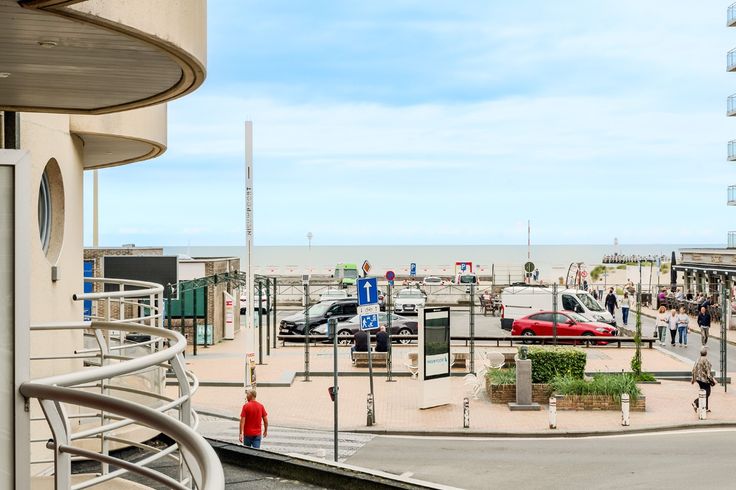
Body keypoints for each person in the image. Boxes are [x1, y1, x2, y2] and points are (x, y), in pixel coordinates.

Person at [691, 347, 716, 413]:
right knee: (707, 393)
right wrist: (713, 380)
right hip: (704, 380)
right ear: (706, 353)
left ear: (700, 353)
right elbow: (708, 372)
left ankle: (705, 408)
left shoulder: (698, 359)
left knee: (703, 392)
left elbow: (694, 369)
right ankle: (696, 402)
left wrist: (693, 379)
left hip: (698, 379)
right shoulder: (706, 360)